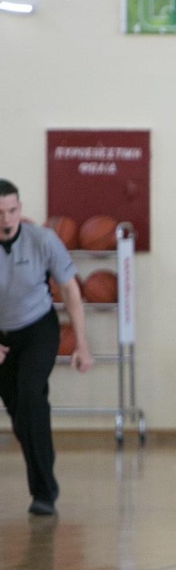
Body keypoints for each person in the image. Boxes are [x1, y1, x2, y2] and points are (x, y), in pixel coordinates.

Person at [0, 179, 94, 516]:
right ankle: (38, 448)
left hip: (39, 328)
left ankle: (44, 493)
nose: (6, 219)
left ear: (20, 210)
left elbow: (70, 291)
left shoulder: (43, 240)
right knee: (21, 412)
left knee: (29, 394)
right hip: (2, 335)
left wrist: (82, 345)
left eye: (12, 211)